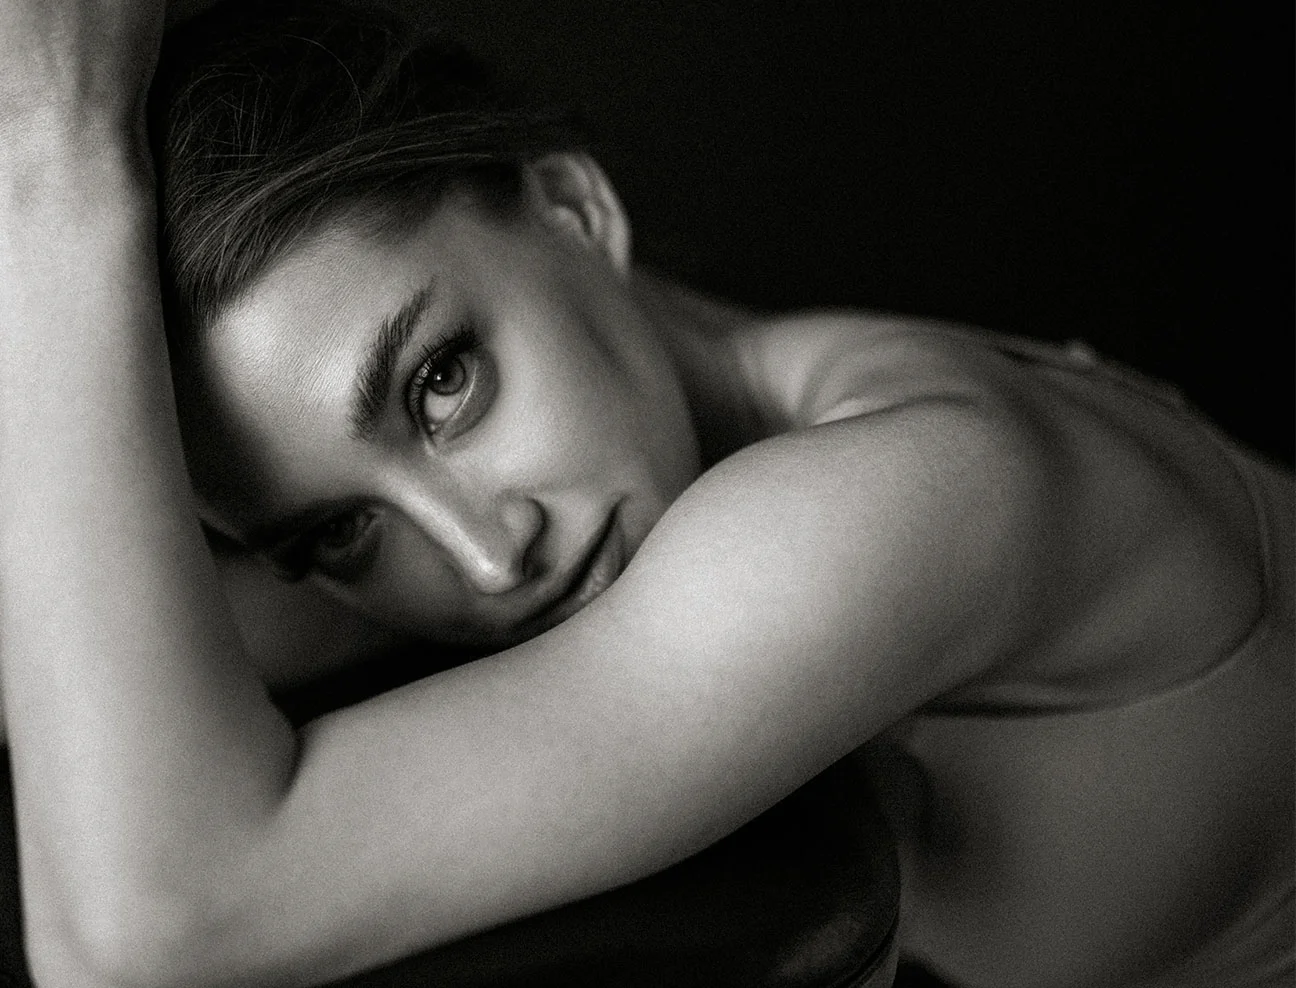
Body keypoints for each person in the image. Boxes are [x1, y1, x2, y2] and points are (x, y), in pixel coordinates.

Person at [0, 1, 1290, 986]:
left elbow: (153, 927)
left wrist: (54, 160)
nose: (486, 557)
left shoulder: (906, 495)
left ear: (573, 206)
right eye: (343, 530)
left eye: (442, 382)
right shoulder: (738, 426)